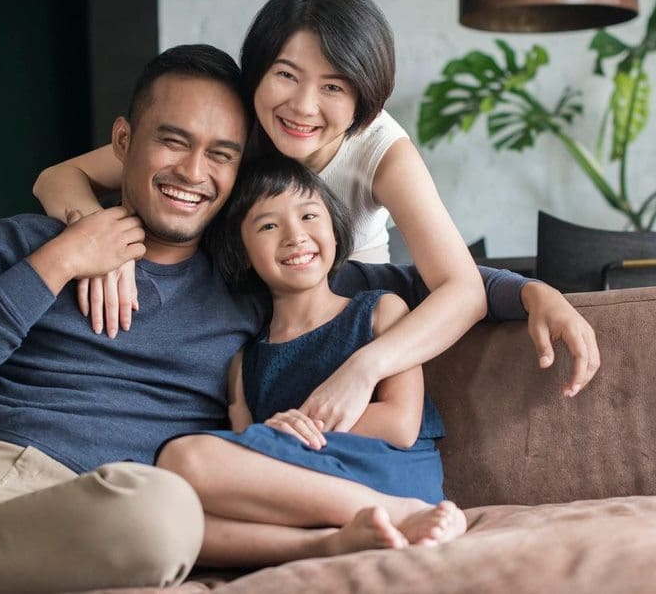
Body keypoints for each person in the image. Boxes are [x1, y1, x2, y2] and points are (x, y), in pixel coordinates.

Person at [0, 44, 499, 593]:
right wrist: (65, 255)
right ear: (124, 141)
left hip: (104, 502)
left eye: (220, 155)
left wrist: (531, 296)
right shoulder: (26, 239)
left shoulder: (251, 276)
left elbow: (425, 282)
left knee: (163, 518)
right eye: (173, 142)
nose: (193, 171)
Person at [33, 0, 601, 434]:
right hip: (243, 317)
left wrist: (366, 366)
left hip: (334, 320)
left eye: (333, 86)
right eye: (286, 75)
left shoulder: (381, 152)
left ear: (364, 96)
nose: (303, 107)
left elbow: (454, 287)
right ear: (257, 72)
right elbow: (59, 178)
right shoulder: (235, 126)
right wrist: (101, 243)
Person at [158, 156, 467, 566]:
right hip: (303, 494)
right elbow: (247, 458)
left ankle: (399, 514)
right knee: (169, 522)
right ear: (243, 251)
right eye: (268, 226)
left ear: (334, 231)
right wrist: (272, 434)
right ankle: (333, 542)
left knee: (182, 458)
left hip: (389, 474)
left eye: (308, 216)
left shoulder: (379, 311)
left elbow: (400, 424)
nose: (295, 236)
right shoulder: (245, 361)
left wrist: (295, 431)